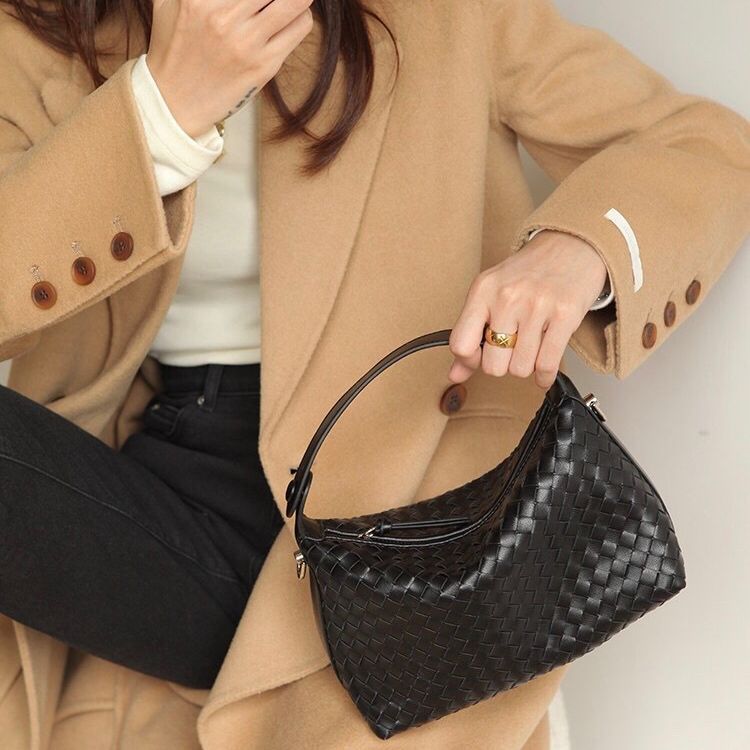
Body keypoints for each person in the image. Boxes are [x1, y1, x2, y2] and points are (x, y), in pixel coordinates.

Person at [0, 1, 747, 749]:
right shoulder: (43, 33)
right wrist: (161, 109)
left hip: (403, 503)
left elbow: (703, 144)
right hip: (150, 496)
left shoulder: (442, 15)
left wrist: (580, 249)